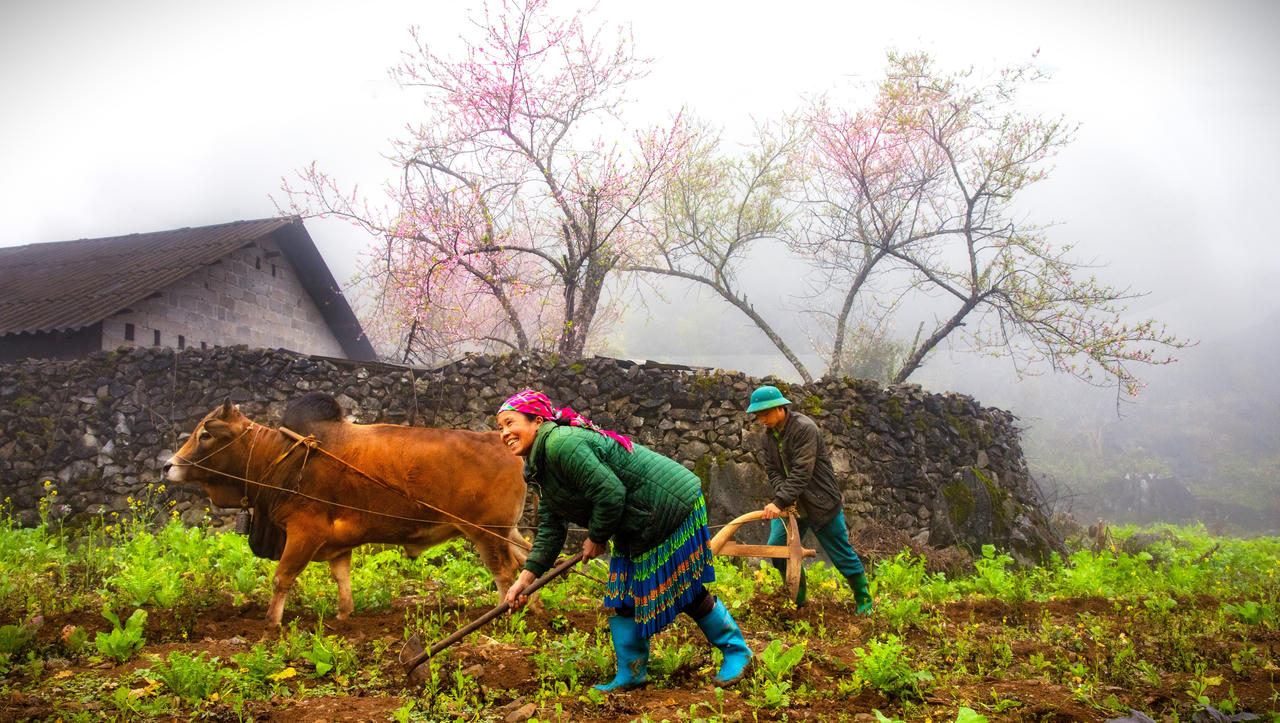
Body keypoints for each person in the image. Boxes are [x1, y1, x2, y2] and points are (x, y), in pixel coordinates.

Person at [498, 390, 752, 690]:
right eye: (500, 427)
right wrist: (524, 580)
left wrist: (596, 537)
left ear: (537, 421)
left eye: (510, 423)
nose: (504, 433)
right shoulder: (537, 468)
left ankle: (738, 652)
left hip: (667, 505)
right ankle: (632, 672)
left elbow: (610, 493)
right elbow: (552, 527)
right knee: (623, 593)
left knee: (685, 588)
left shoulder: (562, 445)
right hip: (636, 518)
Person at [746, 385, 873, 613]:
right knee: (777, 549)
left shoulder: (805, 429)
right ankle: (798, 599)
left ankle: (864, 599)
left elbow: (802, 471)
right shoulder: (768, 437)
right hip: (791, 504)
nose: (762, 419)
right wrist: (784, 498)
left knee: (841, 552)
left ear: (780, 409)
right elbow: (772, 470)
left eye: (765, 414)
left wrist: (779, 501)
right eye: (758, 415)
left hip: (820, 502)